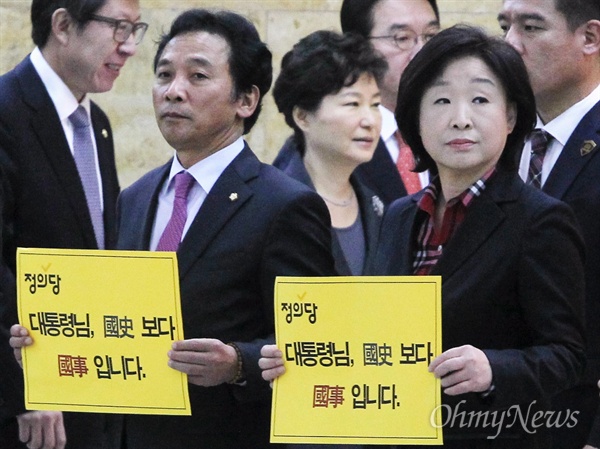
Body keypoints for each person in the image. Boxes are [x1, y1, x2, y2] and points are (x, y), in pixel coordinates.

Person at [6, 8, 333, 449]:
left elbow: (317, 343)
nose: (173, 91)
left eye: (198, 77)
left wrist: (238, 363)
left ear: (246, 100)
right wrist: (48, 339)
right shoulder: (136, 197)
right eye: (163, 75)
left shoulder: (285, 205)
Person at [261, 24, 586, 449]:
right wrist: (309, 357)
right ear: (415, 116)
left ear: (510, 116)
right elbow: (377, 334)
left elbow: (567, 355)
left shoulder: (540, 220)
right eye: (441, 100)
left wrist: (492, 367)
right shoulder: (399, 215)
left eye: (481, 100)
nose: (460, 118)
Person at [0, 0, 146, 447]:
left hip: (88, 386)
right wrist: (26, 385)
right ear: (63, 25)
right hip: (28, 408)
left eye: (135, 30)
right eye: (118, 28)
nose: (129, 48)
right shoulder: (6, 111)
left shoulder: (95, 122)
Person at [498, 1, 600, 448]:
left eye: (531, 27)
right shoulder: (498, 138)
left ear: (590, 38)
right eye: (504, 26)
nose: (509, 44)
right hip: (496, 415)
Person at [273, 0, 440, 205]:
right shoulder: (323, 151)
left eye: (431, 36)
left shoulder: (445, 129)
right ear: (359, 46)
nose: (422, 52)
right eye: (402, 38)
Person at [272, 30, 387, 277]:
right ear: (302, 116)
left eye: (375, 105)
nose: (370, 120)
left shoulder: (377, 205)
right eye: (352, 104)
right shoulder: (271, 204)